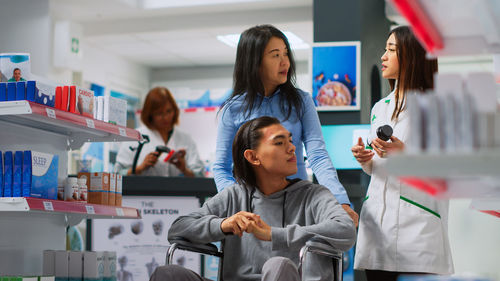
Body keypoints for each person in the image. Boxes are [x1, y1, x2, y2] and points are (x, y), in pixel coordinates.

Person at [150, 116, 356, 281]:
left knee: (279, 265)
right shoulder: (234, 195)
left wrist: (274, 234)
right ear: (253, 157)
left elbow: (345, 229)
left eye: (290, 141)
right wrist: (223, 225)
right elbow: (177, 228)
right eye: (279, 142)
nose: (292, 148)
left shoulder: (313, 195)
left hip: (286, 276)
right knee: (166, 274)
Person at [212, 24, 358, 226]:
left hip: (296, 205)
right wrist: (238, 206)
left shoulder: (301, 101)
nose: (285, 62)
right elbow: (221, 168)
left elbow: (317, 155)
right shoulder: (233, 109)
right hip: (251, 214)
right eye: (275, 55)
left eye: (286, 53)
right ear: (255, 62)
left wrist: (339, 201)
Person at [351, 26, 454, 281]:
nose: (383, 56)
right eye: (385, 50)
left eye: (391, 50)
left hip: (417, 229)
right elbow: (379, 164)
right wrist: (366, 160)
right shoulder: (379, 108)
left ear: (412, 56)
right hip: (377, 227)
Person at [116, 87, 204, 177]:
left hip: (177, 190)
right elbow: (118, 173)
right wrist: (140, 168)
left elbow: (200, 175)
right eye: (159, 113)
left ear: (175, 110)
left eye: (169, 111)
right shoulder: (134, 137)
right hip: (143, 191)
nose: (165, 117)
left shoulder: (185, 138)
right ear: (150, 114)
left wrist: (184, 169)